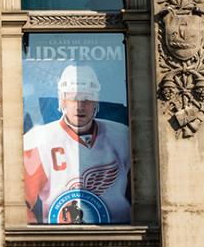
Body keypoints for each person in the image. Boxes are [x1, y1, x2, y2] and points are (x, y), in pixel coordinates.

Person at [23, 63, 131, 224]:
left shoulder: (122, 136)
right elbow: (21, 203)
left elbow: (142, 195)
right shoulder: (39, 140)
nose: (80, 106)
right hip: (60, 240)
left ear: (96, 102)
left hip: (119, 240)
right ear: (62, 101)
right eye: (73, 98)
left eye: (86, 99)